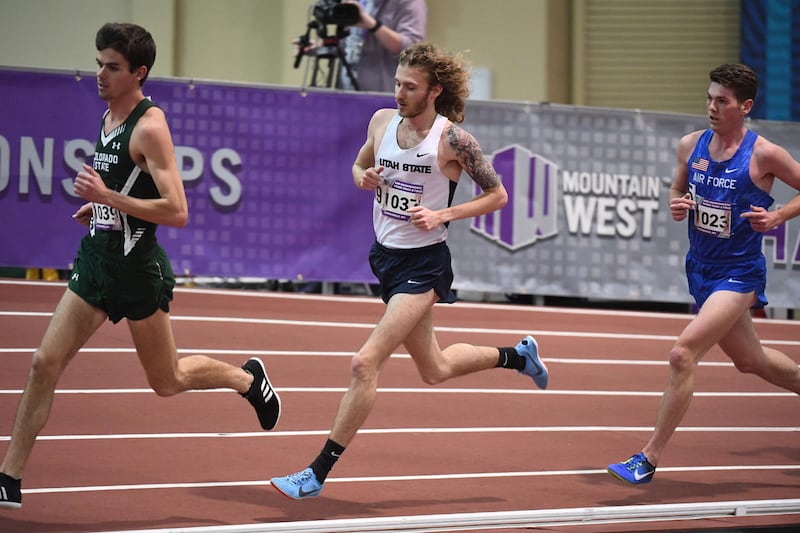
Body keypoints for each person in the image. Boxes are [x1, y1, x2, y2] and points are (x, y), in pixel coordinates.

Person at [0, 23, 281, 510]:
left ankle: (247, 380)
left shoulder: (150, 126)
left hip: (136, 270)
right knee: (44, 362)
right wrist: (103, 210)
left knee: (166, 380)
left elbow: (177, 211)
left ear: (139, 73)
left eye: (112, 67)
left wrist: (109, 197)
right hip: (97, 260)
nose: (101, 75)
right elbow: (134, 189)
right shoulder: (108, 116)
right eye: (99, 64)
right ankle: (9, 477)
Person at [270, 41, 549, 500]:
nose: (399, 93)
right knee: (435, 368)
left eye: (410, 86)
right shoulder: (382, 121)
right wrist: (364, 177)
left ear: (434, 90)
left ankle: (316, 473)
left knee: (364, 363)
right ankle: (519, 357)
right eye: (397, 83)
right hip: (386, 258)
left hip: (424, 265)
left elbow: (497, 196)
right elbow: (359, 165)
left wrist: (443, 216)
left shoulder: (453, 139)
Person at [607, 63, 800, 485]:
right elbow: (678, 189)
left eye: (722, 101)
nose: (711, 107)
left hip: (740, 273)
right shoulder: (690, 146)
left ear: (745, 106)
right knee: (751, 361)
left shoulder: (763, 153)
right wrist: (677, 205)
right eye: (709, 98)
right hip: (701, 270)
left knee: (682, 353)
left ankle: (648, 457)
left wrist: (778, 216)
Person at [338, 0, 426, 92]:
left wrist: (373, 25)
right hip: (346, 90)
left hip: (381, 94)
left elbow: (413, 49)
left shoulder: (410, 2)